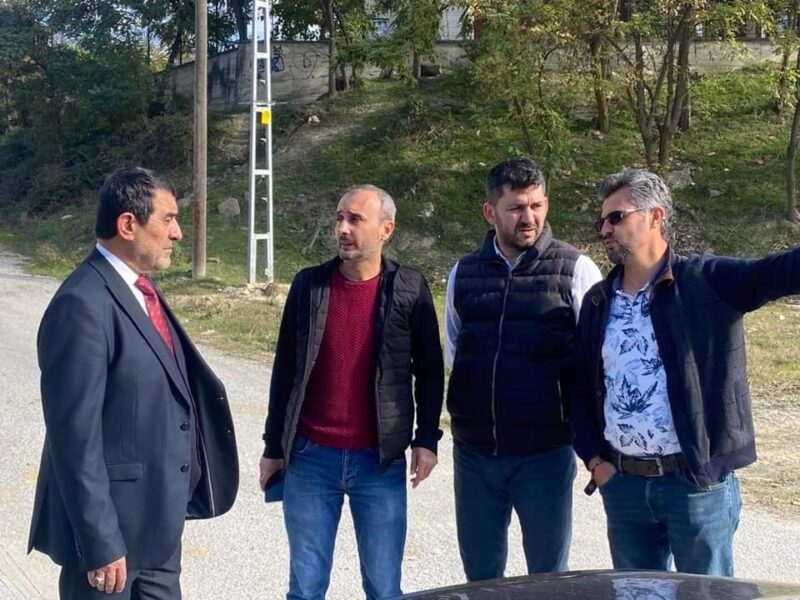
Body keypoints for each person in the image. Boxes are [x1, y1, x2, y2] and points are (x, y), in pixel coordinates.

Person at [571, 168, 800, 576]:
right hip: (624, 486)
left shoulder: (706, 281)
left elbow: (777, 271)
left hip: (695, 485)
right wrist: (595, 461)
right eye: (601, 221)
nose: (605, 229)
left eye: (616, 217)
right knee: (638, 594)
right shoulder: (598, 301)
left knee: (707, 594)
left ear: (655, 216)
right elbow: (579, 388)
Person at [28, 167, 239, 599]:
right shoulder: (81, 304)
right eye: (168, 219)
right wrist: (100, 541)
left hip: (158, 530)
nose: (178, 233)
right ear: (128, 224)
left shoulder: (141, 291)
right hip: (112, 544)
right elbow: (74, 440)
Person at [259, 184, 444, 600]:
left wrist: (427, 439)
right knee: (305, 588)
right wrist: (273, 447)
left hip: (379, 462)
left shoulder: (409, 288)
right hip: (310, 458)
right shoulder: (309, 286)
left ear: (386, 229)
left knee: (383, 587)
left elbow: (430, 370)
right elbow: (285, 370)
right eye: (339, 218)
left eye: (355, 220)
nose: (343, 228)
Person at [445, 157, 602, 580]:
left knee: (548, 579)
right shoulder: (463, 273)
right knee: (481, 579)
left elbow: (595, 363)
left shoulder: (577, 270)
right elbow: (455, 349)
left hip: (544, 456)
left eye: (536, 205)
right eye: (515, 208)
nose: (528, 217)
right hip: (475, 455)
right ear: (489, 212)